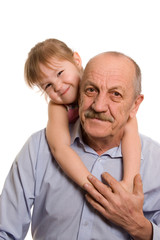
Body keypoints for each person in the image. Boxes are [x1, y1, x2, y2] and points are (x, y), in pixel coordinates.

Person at [0, 51, 160, 240]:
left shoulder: (155, 161)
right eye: (91, 90)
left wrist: (138, 226)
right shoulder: (38, 148)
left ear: (135, 105)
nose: (99, 106)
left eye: (115, 94)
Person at [24, 38, 140, 192]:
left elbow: (130, 130)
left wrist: (128, 182)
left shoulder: (98, 80)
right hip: (83, 155)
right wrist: (92, 187)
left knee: (130, 123)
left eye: (59, 73)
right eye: (48, 85)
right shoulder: (58, 106)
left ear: (76, 60)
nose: (58, 86)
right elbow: (60, 148)